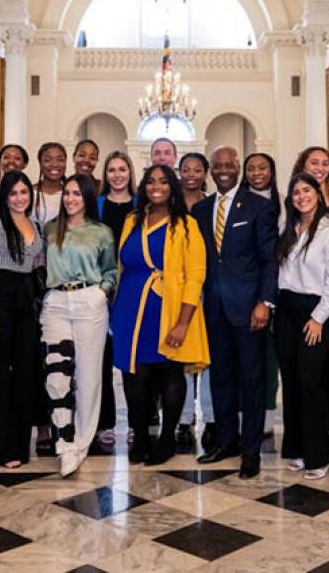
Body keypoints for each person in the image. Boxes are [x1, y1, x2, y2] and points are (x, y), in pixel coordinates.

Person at [111, 165, 209, 465]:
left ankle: (166, 439)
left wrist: (183, 321)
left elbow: (195, 275)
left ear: (173, 187)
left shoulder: (186, 225)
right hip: (130, 304)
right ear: (143, 186)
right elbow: (122, 264)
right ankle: (140, 436)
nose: (157, 187)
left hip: (167, 305)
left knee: (169, 371)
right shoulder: (132, 220)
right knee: (134, 374)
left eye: (164, 182)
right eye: (151, 181)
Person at [193, 146, 278, 479]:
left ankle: (250, 450)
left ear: (238, 169)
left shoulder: (258, 206)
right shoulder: (201, 209)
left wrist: (265, 302)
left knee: (252, 380)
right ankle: (226, 441)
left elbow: (270, 259)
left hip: (248, 308)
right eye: (218, 165)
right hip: (212, 309)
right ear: (211, 170)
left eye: (230, 165)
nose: (224, 170)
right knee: (221, 378)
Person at [41, 175, 117, 477]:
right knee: (56, 375)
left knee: (88, 377)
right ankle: (64, 443)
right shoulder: (50, 229)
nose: (70, 199)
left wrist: (102, 293)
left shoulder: (101, 232)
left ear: (87, 197)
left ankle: (82, 443)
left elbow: (111, 269)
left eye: (76, 194)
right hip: (56, 303)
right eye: (67, 193)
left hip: (89, 300)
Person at [275, 173, 329, 480]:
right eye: (295, 192)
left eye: (306, 191)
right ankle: (296, 448)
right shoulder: (290, 229)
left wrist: (319, 318)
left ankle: (317, 455)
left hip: (314, 310)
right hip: (286, 309)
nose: (301, 196)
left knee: (310, 381)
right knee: (290, 382)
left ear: (318, 194)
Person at [0, 171, 47, 468]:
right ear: (4, 196)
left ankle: (19, 445)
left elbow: (39, 267)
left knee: (25, 374)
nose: (20, 198)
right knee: (0, 375)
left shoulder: (37, 225)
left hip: (26, 305)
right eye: (13, 193)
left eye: (24, 192)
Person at [290, 146, 329, 446]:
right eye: (314, 162)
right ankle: (300, 438)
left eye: (326, 163)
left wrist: (319, 315)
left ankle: (328, 426)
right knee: (299, 376)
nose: (321, 167)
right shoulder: (290, 220)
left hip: (324, 303)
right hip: (293, 304)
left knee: (324, 367)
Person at [94, 151, 139, 447]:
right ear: (105, 174)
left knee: (133, 358)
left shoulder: (141, 205)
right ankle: (104, 421)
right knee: (101, 357)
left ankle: (139, 420)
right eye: (112, 170)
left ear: (130, 173)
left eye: (123, 169)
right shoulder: (96, 205)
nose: (118, 175)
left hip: (134, 288)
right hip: (100, 287)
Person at [242, 152, 283, 439]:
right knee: (246, 354)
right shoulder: (238, 202)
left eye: (263, 168)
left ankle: (268, 411)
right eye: (251, 168)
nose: (257, 173)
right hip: (248, 286)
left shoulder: (285, 200)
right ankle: (245, 411)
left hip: (283, 286)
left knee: (271, 354)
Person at [177, 151, 214, 448]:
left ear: (205, 173)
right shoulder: (170, 205)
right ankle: (182, 417)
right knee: (180, 352)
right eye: (186, 169)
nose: (191, 174)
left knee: (210, 352)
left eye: (197, 169)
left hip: (209, 283)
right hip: (177, 286)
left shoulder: (213, 205)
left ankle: (211, 417)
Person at [33, 142, 67, 226]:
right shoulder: (28, 193)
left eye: (60, 160)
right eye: (47, 160)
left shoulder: (71, 194)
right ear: (40, 164)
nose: (54, 164)